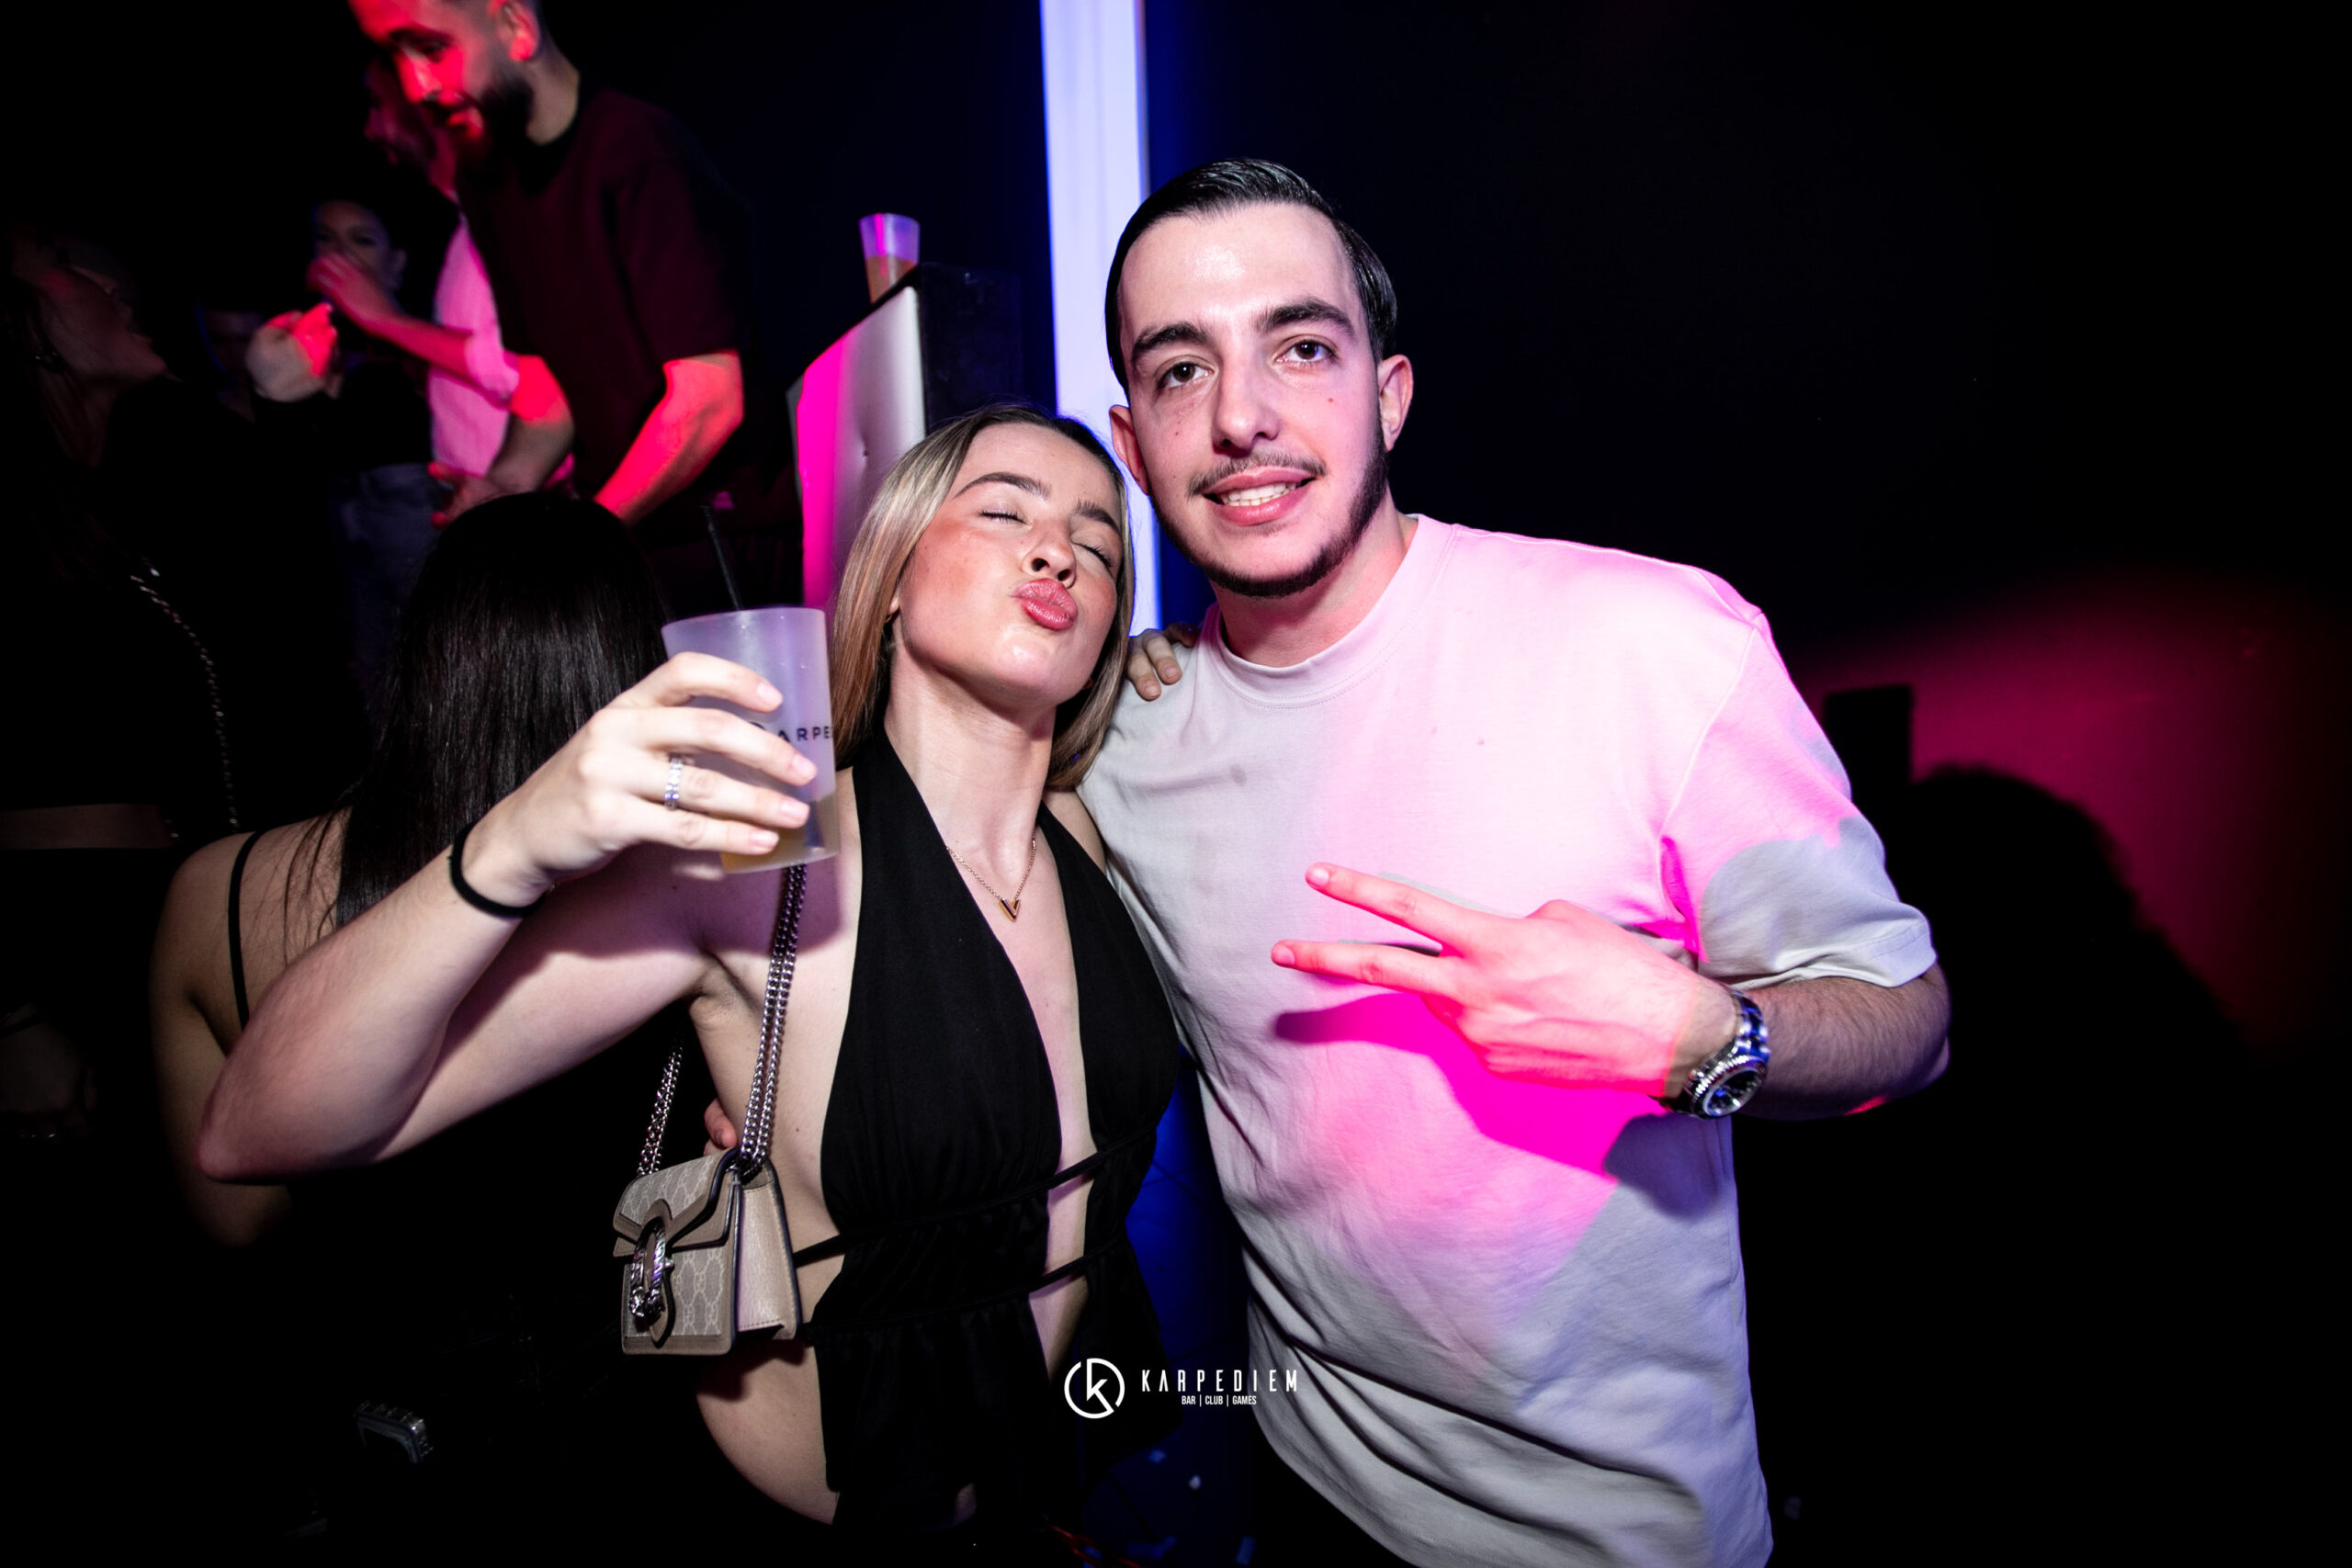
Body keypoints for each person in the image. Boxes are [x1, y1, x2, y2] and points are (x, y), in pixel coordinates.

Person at [1081, 161, 1951, 1566]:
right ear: (1133, 437)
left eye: (1301, 347)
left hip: (1623, 1536)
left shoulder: (1652, 646)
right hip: (1308, 1490)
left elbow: (1909, 1021)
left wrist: (1704, 1035)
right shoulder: (1122, 739)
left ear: (1389, 394)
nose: (1240, 414)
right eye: (1182, 370)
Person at [201, 405, 1183, 1552]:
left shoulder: (1088, 834)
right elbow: (257, 1128)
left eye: (1098, 544)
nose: (1058, 551)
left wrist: (1184, 666)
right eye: (1005, 512)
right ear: (893, 575)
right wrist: (512, 845)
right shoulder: (760, 866)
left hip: (1038, 1475)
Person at [149, 492, 685, 1543]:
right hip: (650, 1444)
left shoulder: (221, 893)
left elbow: (235, 1222)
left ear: (417, 660)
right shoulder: (694, 893)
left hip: (396, 1456)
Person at [351, 0, 779, 612]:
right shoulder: (488, 180)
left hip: (716, 542)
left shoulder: (641, 153)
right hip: (618, 542)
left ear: (514, 26)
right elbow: (544, 385)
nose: (416, 86)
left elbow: (708, 400)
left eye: (431, 48)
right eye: (396, 54)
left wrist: (581, 535)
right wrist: (507, 485)